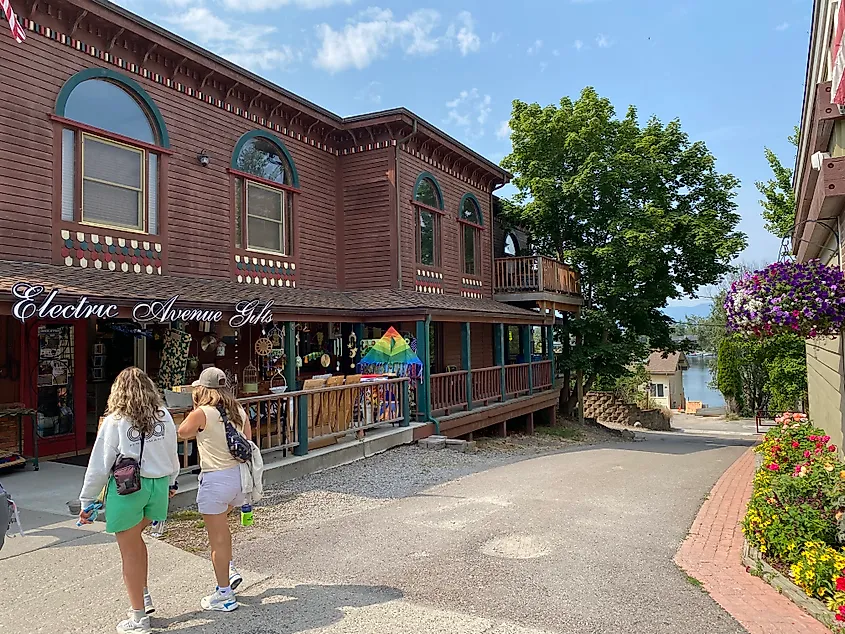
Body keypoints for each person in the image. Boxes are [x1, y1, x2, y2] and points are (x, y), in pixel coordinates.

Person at [79, 367, 180, 634]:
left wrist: (87, 498)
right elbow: (173, 452)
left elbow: (101, 463)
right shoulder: (164, 416)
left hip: (128, 487)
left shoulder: (116, 420)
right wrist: (172, 482)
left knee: (129, 549)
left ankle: (138, 617)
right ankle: (143, 595)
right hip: (158, 485)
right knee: (136, 540)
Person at [178, 367, 251, 612]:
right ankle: (228, 570)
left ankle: (224, 593)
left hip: (215, 479)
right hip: (239, 480)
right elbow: (248, 441)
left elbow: (182, 432)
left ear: (202, 389)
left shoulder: (202, 413)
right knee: (223, 532)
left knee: (217, 539)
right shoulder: (239, 410)